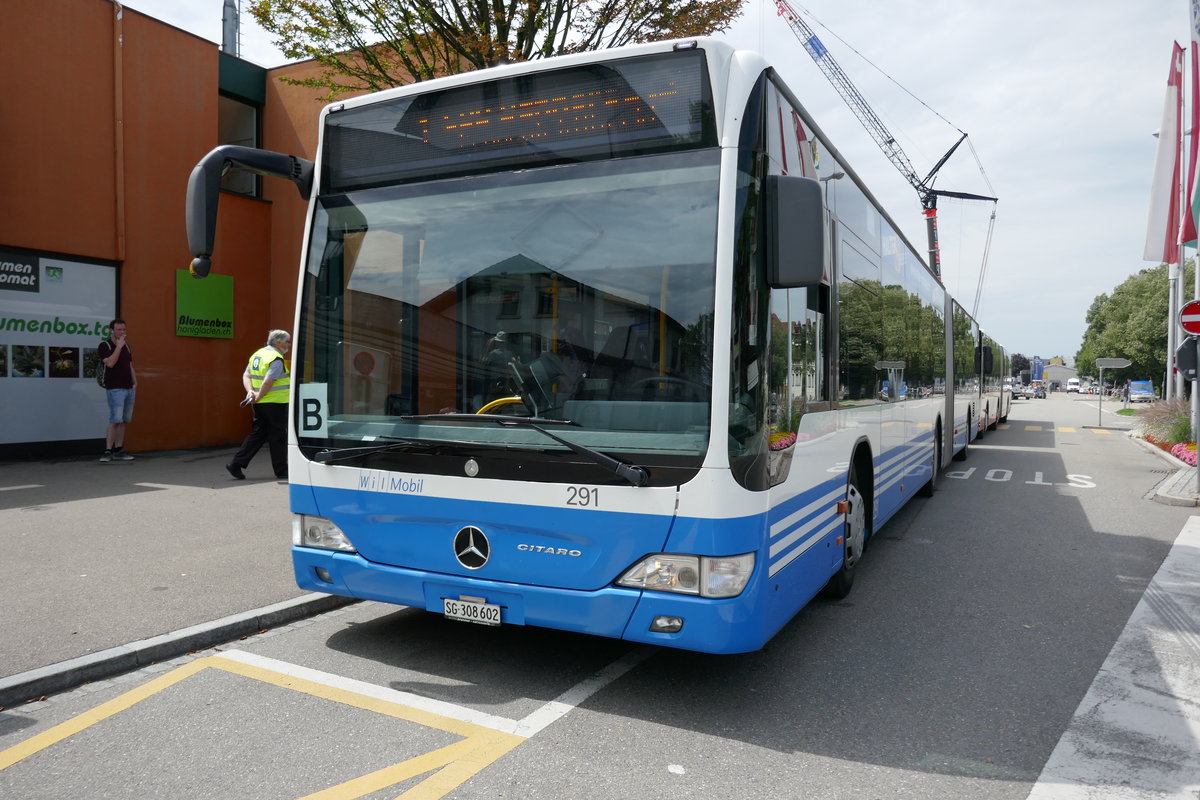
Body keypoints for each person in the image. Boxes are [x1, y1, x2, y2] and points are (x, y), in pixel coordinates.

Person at [226, 330, 291, 480]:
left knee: (258, 435)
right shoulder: (276, 358)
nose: (289, 344)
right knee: (278, 437)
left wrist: (250, 393)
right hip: (275, 403)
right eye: (287, 341)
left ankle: (236, 464)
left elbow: (246, 375)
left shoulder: (257, 355)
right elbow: (268, 381)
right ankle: (281, 470)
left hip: (259, 404)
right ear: (279, 342)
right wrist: (258, 395)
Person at [97, 318, 136, 462]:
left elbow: (130, 365)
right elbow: (111, 363)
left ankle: (119, 449)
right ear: (111, 330)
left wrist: (135, 382)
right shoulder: (104, 345)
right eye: (119, 329)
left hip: (128, 388)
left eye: (124, 329)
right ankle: (108, 451)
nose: (122, 332)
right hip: (115, 388)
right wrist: (118, 347)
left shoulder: (127, 346)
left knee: (123, 420)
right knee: (115, 419)